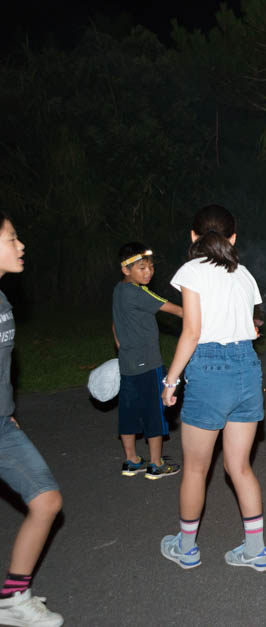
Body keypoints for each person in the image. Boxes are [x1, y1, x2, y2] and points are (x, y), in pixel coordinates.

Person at [159, 205, 266, 572]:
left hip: (210, 370)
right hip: (247, 368)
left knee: (196, 469)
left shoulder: (192, 271)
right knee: (240, 467)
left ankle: (186, 547)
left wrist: (171, 379)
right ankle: (256, 549)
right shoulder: (244, 274)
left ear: (193, 237)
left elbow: (192, 331)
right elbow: (253, 324)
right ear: (233, 238)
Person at [0, 212, 64, 627]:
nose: (21, 245)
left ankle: (12, 597)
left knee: (46, 500)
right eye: (11, 238)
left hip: (1, 425)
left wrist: (7, 412)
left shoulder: (2, 299)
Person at [111, 242, 183, 479]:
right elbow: (176, 310)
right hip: (149, 364)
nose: (148, 272)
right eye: (141, 267)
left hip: (128, 364)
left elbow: (115, 325)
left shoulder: (119, 290)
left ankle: (131, 460)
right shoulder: (139, 292)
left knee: (129, 412)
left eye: (150, 267)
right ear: (126, 270)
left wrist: (123, 348)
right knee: (155, 412)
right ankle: (156, 463)